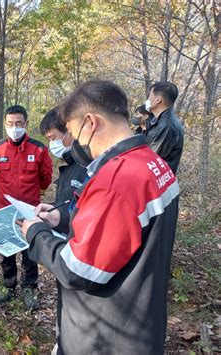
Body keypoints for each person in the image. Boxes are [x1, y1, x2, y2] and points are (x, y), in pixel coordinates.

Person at [19, 80, 180, 354]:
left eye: (71, 131)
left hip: (105, 335)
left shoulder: (117, 179)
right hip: (140, 323)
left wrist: (36, 234)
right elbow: (122, 225)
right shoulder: (152, 163)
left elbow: (78, 271)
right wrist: (61, 218)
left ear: (90, 122)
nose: (73, 143)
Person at [0, 105, 53, 310]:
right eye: (10, 124)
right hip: (4, 210)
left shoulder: (39, 149)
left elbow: (45, 181)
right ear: (5, 124)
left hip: (30, 210)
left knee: (29, 251)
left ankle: (29, 288)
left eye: (18, 123)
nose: (14, 127)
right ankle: (8, 286)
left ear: (26, 124)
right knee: (6, 251)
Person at [39, 107, 87, 234]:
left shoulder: (88, 166)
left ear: (70, 131)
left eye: (53, 138)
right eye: (48, 139)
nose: (52, 144)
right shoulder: (71, 163)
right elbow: (66, 202)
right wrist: (52, 209)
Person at [144, 81, 184, 174]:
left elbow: (149, 159)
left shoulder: (166, 126)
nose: (147, 100)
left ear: (158, 99)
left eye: (150, 96)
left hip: (156, 183)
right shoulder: (161, 121)